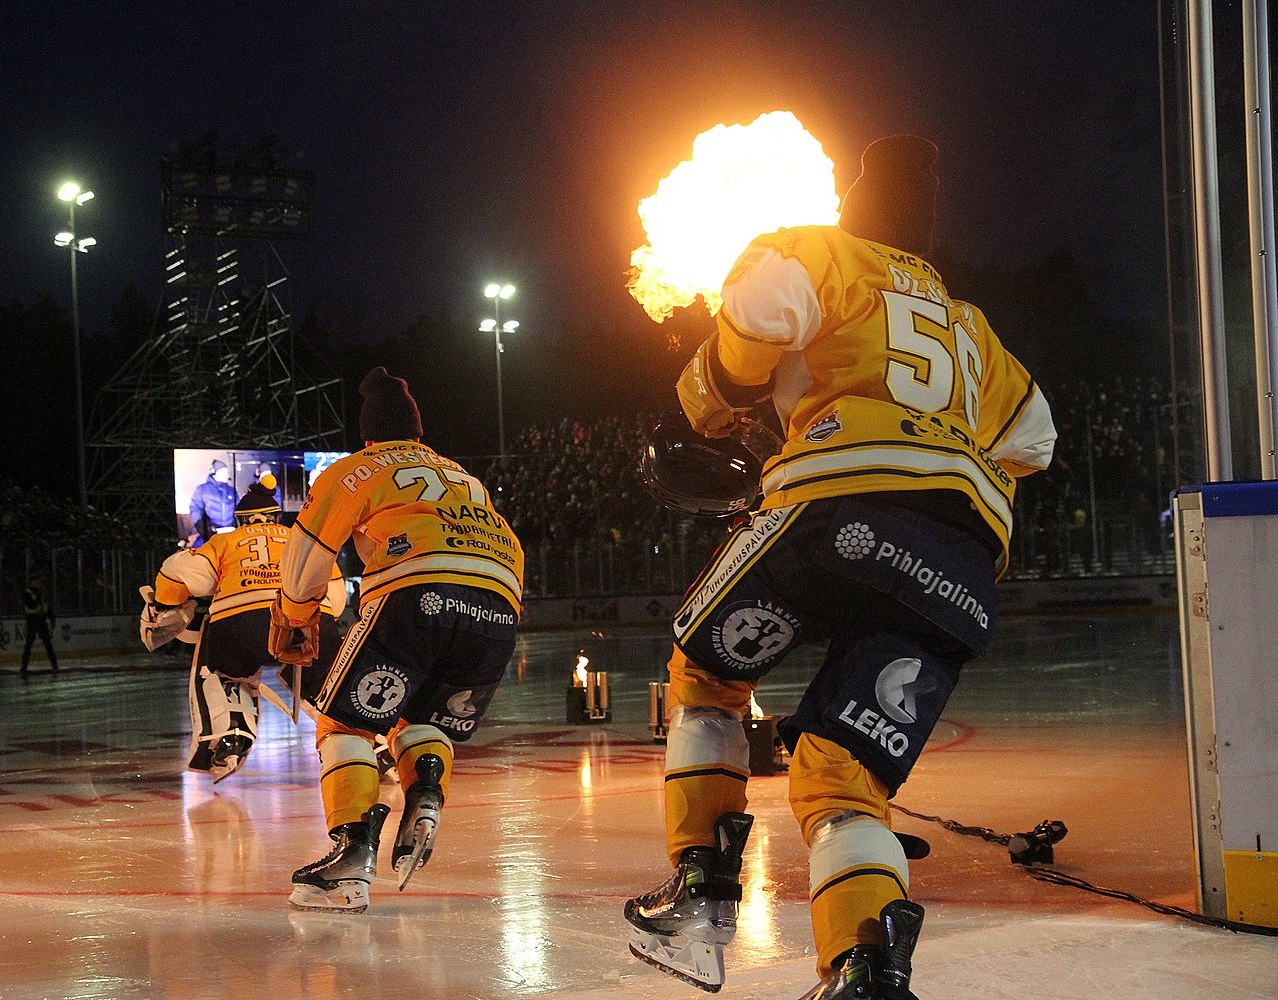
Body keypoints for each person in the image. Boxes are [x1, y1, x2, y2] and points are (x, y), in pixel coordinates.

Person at [625, 135, 1057, 998]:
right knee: (840, 772)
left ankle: (700, 892)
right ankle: (863, 966)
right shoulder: (974, 328)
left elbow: (756, 317)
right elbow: (1034, 439)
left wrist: (714, 390)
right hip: (964, 562)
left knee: (704, 673)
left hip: (838, 513)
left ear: (852, 209)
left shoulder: (816, 249)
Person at [270, 366, 524, 913]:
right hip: (501, 597)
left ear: (367, 434)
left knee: (345, 723)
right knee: (425, 721)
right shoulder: (463, 476)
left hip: (417, 589)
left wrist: (297, 614)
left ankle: (350, 856)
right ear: (417, 431)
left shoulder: (354, 470)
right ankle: (427, 791)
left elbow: (310, 556)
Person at [143, 473, 348, 783]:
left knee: (222, 672)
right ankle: (362, 744)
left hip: (239, 620)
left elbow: (175, 574)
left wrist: (164, 606)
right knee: (326, 684)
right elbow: (335, 592)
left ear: (240, 520)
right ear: (276, 515)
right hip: (305, 617)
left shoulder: (225, 541)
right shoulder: (300, 537)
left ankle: (230, 733)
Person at [189, 459, 239, 546]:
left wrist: (237, 526)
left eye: (227, 472)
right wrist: (204, 529)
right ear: (215, 473)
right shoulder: (202, 489)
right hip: (210, 534)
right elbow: (195, 509)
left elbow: (239, 509)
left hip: (231, 533)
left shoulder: (232, 491)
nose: (227, 474)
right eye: (224, 472)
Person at [20, 576, 58, 674]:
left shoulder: (41, 594)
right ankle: (23, 668)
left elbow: (46, 608)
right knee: (28, 645)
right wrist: (38, 597)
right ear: (31, 583)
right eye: (36, 582)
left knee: (48, 644)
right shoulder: (27, 593)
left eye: (39, 582)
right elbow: (31, 605)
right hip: (32, 620)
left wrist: (52, 619)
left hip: (41, 620)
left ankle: (55, 666)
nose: (38, 584)